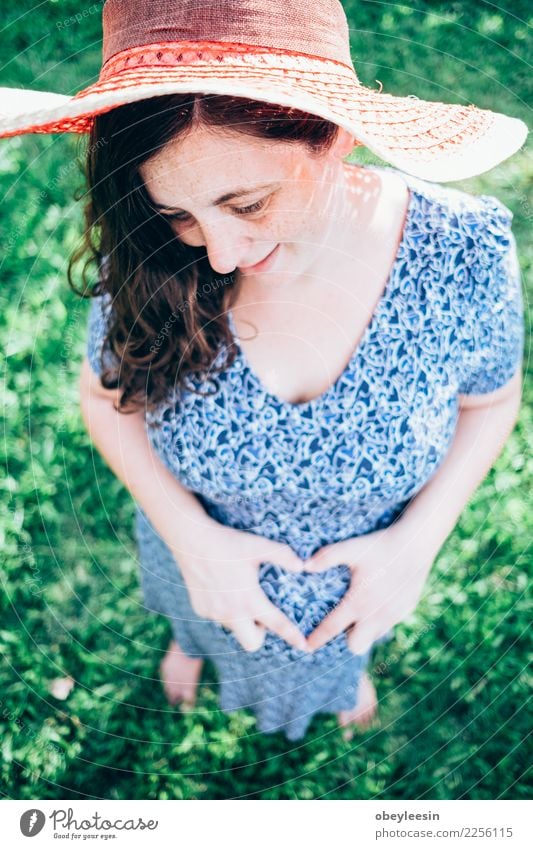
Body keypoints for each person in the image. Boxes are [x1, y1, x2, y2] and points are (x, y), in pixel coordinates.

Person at [0, 0, 526, 742]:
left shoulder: (462, 252)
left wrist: (414, 545)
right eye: (178, 213)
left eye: (246, 202)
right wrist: (192, 541)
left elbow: (493, 400)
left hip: (357, 584)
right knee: (191, 613)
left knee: (344, 649)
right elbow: (103, 395)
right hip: (193, 554)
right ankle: (189, 638)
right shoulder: (152, 254)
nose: (216, 254)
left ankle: (344, 668)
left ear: (336, 135)